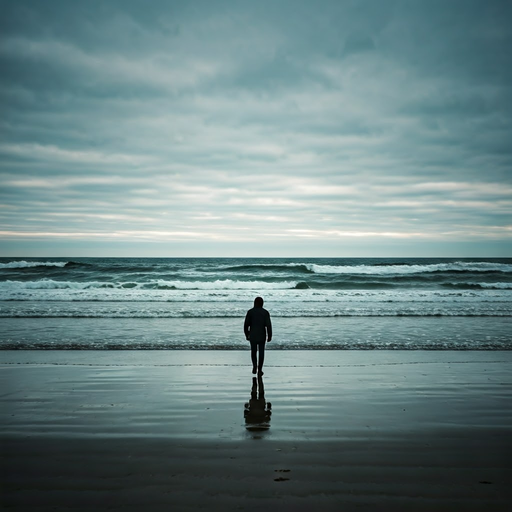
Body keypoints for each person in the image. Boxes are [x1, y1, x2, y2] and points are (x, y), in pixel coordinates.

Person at [244, 296, 272, 375]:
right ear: (262, 304)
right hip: (262, 335)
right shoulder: (265, 312)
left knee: (253, 351)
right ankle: (260, 369)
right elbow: (268, 325)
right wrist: (269, 335)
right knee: (261, 352)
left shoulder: (250, 312)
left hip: (253, 335)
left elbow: (246, 325)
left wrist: (247, 334)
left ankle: (254, 366)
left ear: (254, 303)